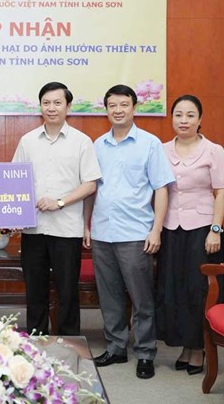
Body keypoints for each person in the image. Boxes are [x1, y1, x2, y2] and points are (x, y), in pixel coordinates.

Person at [83, 84, 175, 380]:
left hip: (136, 233)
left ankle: (146, 352)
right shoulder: (97, 145)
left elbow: (161, 188)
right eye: (112, 105)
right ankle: (117, 347)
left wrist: (156, 229)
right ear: (106, 109)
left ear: (134, 107)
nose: (118, 110)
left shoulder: (150, 144)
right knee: (109, 296)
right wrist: (87, 225)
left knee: (141, 298)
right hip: (102, 232)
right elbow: (91, 189)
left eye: (124, 105)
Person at [12, 81, 101, 336]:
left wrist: (59, 202)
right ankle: (37, 341)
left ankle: (71, 343)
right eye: (46, 103)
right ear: (40, 106)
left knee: (67, 292)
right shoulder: (27, 141)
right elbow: (15, 180)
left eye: (57, 103)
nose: (52, 108)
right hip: (34, 229)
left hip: (66, 229)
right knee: (35, 291)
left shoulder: (82, 142)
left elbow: (90, 184)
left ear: (68, 106)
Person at [155, 94, 224, 375]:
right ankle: (186, 346)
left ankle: (199, 349)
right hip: (171, 228)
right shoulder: (161, 150)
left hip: (203, 229)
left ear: (200, 119)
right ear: (171, 118)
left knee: (198, 290)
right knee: (173, 288)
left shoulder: (214, 150)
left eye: (189, 115)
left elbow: (221, 191)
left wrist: (215, 230)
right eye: (178, 115)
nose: (183, 120)